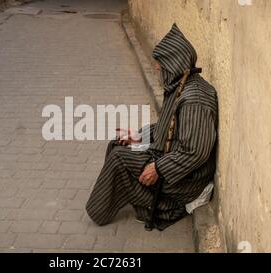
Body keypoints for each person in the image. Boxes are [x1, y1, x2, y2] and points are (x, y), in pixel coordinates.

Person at [86, 24, 218, 230]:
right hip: (171, 156)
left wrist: (158, 168)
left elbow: (195, 152)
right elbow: (166, 129)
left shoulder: (194, 100)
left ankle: (162, 207)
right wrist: (138, 137)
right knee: (118, 144)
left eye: (160, 63)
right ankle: (138, 199)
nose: (156, 67)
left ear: (173, 63)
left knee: (120, 158)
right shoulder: (180, 88)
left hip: (186, 179)